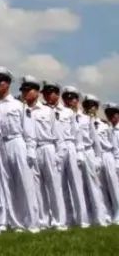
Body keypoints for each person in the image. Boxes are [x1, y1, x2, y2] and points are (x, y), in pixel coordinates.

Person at [0, 70, 40, 232]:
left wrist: (31, 149)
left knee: (25, 183)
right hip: (1, 144)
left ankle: (32, 222)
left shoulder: (19, 105)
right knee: (7, 185)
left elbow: (29, 129)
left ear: (7, 83)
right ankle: (16, 222)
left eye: (0, 82)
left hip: (17, 141)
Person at [27, 81, 64, 230]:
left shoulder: (47, 111)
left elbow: (58, 135)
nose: (25, 93)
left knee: (53, 185)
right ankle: (43, 221)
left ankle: (58, 220)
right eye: (24, 91)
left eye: (28, 91)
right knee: (37, 187)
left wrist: (59, 155)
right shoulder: (24, 109)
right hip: (32, 149)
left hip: (48, 147)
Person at [57, 86, 89, 228]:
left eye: (73, 98)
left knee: (77, 185)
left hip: (71, 146)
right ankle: (68, 219)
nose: (70, 101)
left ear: (77, 100)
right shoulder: (58, 112)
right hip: (59, 147)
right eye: (67, 99)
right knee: (61, 185)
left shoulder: (74, 115)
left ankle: (82, 219)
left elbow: (77, 134)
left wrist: (80, 152)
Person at [79, 94, 110, 226]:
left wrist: (98, 158)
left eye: (92, 106)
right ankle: (90, 216)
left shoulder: (103, 124)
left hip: (93, 154)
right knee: (84, 187)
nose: (90, 108)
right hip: (81, 153)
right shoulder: (80, 119)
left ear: (96, 108)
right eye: (87, 106)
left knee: (99, 187)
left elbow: (97, 142)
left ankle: (102, 216)